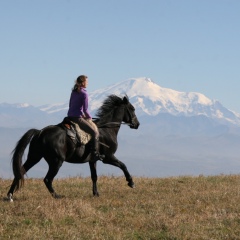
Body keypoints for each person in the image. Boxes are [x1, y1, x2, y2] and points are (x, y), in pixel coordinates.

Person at [67, 75, 104, 161]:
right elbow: (85, 109)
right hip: (77, 118)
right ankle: (95, 154)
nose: (87, 83)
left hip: (69, 116)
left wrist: (81, 114)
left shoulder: (74, 92)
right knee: (95, 132)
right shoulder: (84, 93)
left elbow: (71, 105)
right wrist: (89, 118)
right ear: (83, 82)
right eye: (87, 81)